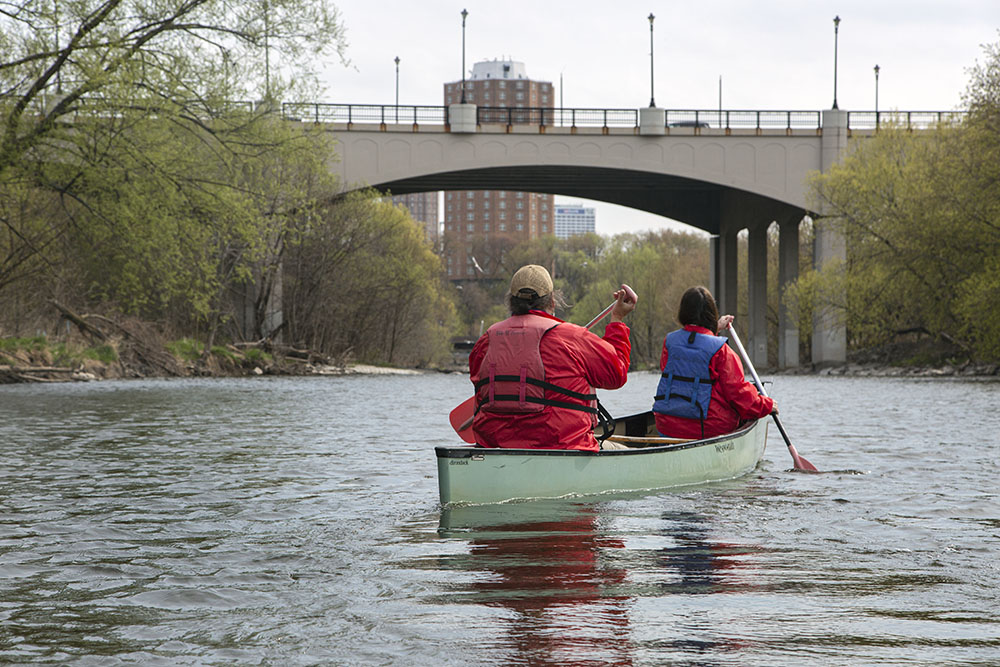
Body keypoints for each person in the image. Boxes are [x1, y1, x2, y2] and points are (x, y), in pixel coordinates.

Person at [469, 264, 635, 451]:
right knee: (626, 451)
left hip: (495, 445)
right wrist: (618, 319)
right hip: (565, 446)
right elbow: (616, 374)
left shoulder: (485, 342)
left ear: (511, 302)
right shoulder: (573, 337)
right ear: (552, 302)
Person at [652, 286, 776, 439]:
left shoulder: (670, 342)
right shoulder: (722, 351)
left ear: (683, 312)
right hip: (707, 429)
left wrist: (713, 330)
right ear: (711, 314)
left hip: (666, 426)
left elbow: (689, 360)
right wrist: (767, 405)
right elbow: (738, 394)